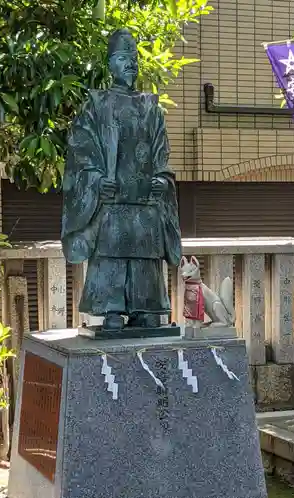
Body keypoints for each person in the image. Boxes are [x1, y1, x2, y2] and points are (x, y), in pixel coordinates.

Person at [61, 28, 181, 331]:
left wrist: (162, 181)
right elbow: (80, 153)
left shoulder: (150, 107)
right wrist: (97, 180)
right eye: (123, 58)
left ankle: (147, 308)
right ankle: (111, 308)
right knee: (111, 256)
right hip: (112, 204)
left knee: (145, 259)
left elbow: (162, 156)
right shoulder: (97, 106)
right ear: (110, 64)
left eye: (134, 59)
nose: (130, 64)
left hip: (145, 204)